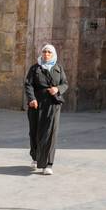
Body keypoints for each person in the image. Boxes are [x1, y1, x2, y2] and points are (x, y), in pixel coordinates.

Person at [25, 43, 68, 173]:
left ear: (53, 54)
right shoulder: (35, 68)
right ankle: (36, 156)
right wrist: (32, 98)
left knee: (50, 132)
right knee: (35, 131)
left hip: (53, 104)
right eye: (44, 52)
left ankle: (48, 164)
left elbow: (65, 84)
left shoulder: (58, 68)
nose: (46, 54)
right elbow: (28, 84)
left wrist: (57, 89)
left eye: (49, 52)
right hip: (36, 104)